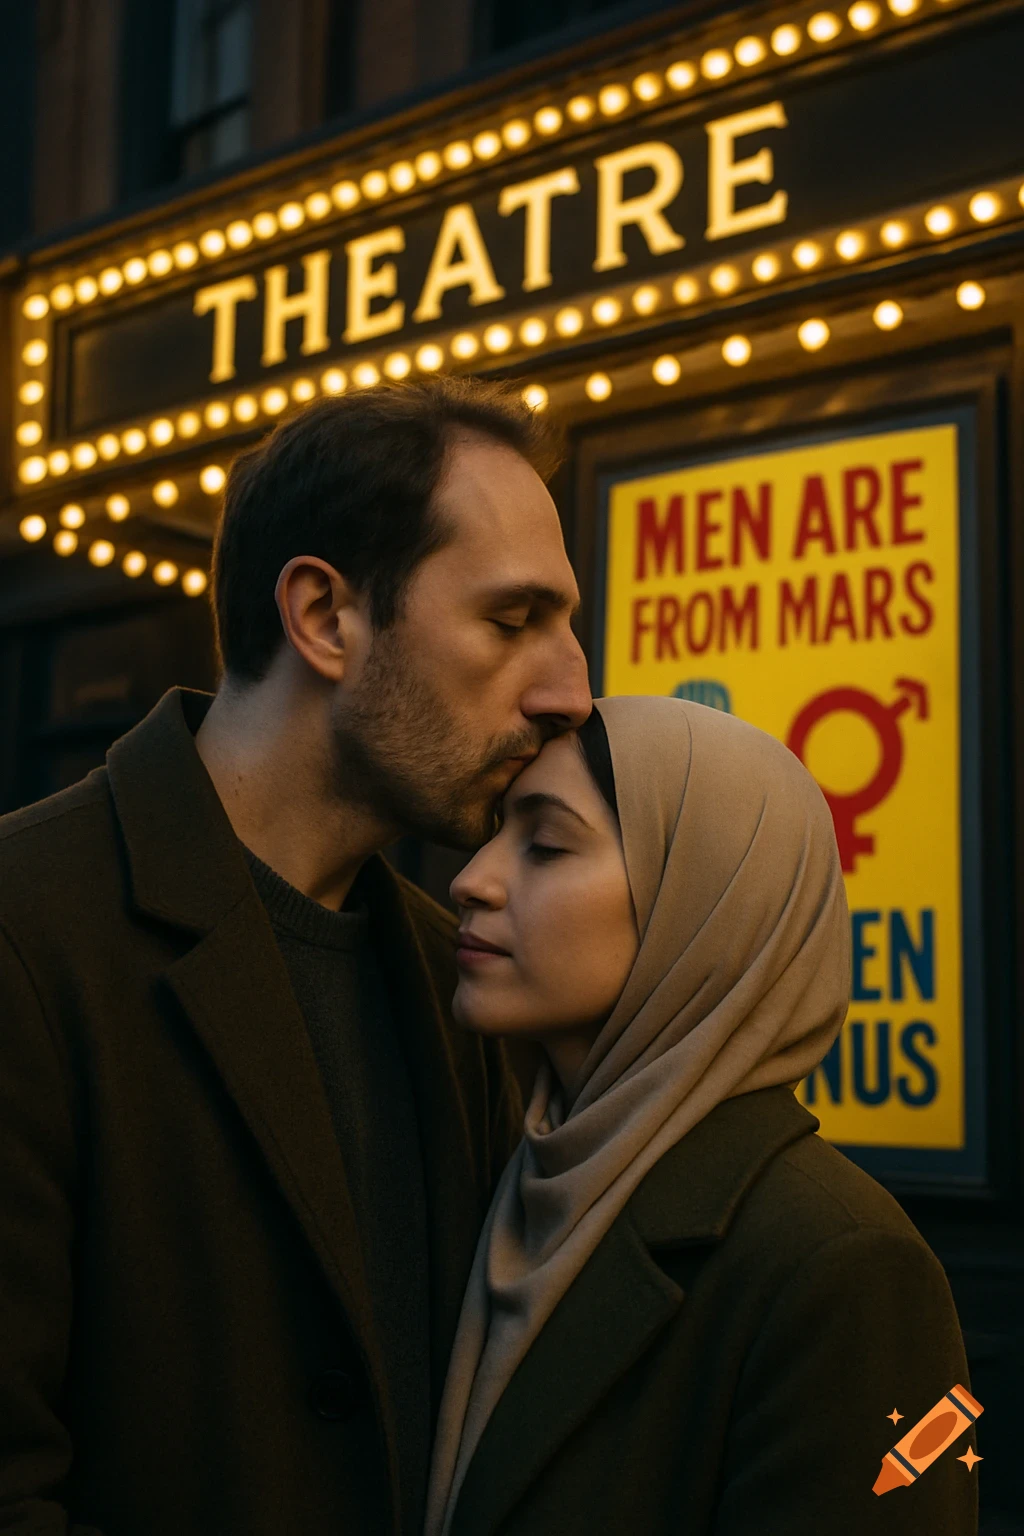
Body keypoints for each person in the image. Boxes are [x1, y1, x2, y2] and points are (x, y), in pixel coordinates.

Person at [0, 378, 591, 1536]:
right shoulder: (29, 933)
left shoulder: (451, 970)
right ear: (324, 617)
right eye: (513, 622)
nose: (570, 690)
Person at [426, 695, 977, 1536]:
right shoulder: (511, 1176)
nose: (471, 878)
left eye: (544, 843)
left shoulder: (848, 1265)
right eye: (497, 830)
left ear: (702, 905)